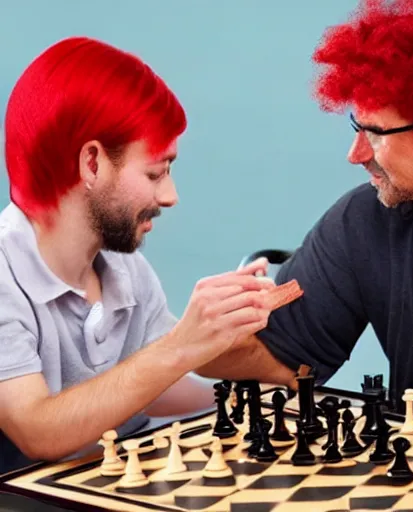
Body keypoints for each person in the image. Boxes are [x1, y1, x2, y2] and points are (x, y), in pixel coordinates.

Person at [197, 0, 413, 428]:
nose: (355, 155)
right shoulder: (363, 221)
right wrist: (205, 335)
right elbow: (282, 362)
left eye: (377, 135)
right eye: (356, 128)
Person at [0, 37, 275, 474]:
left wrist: (249, 395)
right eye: (155, 173)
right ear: (91, 164)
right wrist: (183, 344)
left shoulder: (122, 264)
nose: (170, 196)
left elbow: (146, 386)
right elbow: (37, 431)